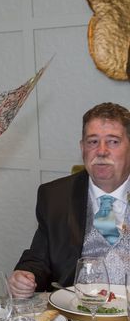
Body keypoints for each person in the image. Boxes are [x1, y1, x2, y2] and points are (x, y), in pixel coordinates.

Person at [8, 102, 130, 297]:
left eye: (113, 141)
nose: (101, 151)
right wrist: (26, 276)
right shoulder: (56, 195)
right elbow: (39, 259)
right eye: (92, 142)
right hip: (76, 314)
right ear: (82, 148)